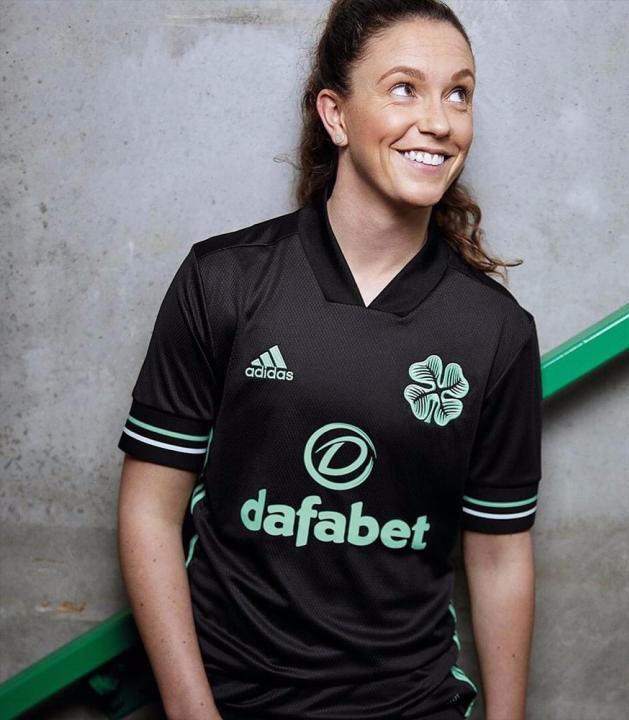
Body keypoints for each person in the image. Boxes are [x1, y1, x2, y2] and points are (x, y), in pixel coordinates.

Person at [116, 1, 543, 719]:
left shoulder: (495, 331)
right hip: (229, 698)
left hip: (407, 705)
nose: (439, 121)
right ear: (336, 115)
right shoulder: (225, 282)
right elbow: (147, 511)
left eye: (459, 93)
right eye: (404, 88)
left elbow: (500, 557)